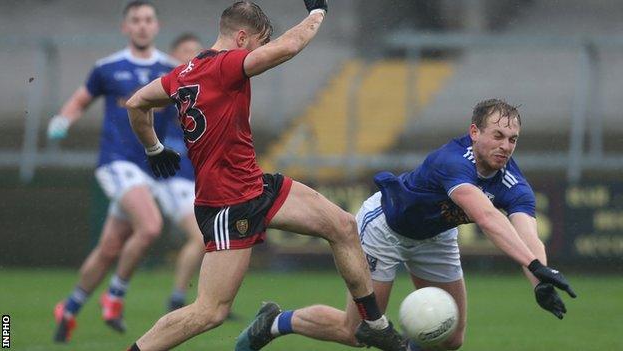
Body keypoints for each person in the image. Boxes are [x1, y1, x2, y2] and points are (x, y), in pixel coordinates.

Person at [124, 1, 406, 351]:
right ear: (242, 37)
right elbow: (287, 47)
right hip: (229, 204)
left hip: (255, 186)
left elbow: (137, 103)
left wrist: (154, 149)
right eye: (258, 43)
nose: (259, 52)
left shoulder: (182, 73)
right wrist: (317, 11)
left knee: (343, 226)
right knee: (210, 311)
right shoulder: (225, 66)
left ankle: (373, 323)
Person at [238, 99, 578, 351]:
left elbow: (528, 234)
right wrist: (533, 266)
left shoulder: (513, 183)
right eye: (498, 135)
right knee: (358, 332)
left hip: (435, 236)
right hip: (385, 227)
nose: (505, 146)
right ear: (474, 132)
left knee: (451, 337)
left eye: (513, 139)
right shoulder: (452, 162)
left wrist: (539, 282)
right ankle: (274, 322)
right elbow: (488, 218)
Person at [48, 1, 178, 342]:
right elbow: (80, 100)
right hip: (115, 163)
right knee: (150, 227)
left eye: (148, 20)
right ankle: (115, 295)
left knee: (109, 249)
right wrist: (63, 119)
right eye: (135, 20)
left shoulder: (170, 69)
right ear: (126, 27)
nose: (142, 26)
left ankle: (70, 307)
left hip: (147, 170)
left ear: (157, 26)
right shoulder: (107, 68)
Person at [158, 32, 205, 312]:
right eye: (185, 50)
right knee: (200, 237)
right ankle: (177, 297)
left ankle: (208, 299)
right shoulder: (164, 89)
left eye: (196, 51)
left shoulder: (201, 91)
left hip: (197, 182)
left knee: (216, 239)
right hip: (173, 182)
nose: (191, 55)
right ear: (172, 55)